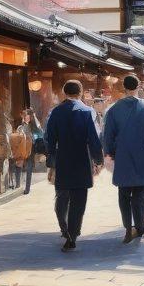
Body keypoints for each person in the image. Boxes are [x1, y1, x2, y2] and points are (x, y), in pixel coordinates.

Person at [44, 80, 104, 251]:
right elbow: (93, 138)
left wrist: (52, 160)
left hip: (63, 160)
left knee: (61, 196)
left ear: (64, 92)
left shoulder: (56, 112)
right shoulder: (87, 112)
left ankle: (64, 228)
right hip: (81, 160)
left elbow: (49, 138)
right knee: (79, 200)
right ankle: (73, 234)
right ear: (80, 92)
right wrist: (97, 159)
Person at [102, 75, 144, 243]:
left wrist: (110, 152)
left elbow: (107, 134)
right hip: (143, 154)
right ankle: (140, 227)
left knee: (124, 192)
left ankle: (128, 228)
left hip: (122, 155)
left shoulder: (113, 109)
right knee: (141, 192)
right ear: (138, 87)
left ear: (124, 88)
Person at [11, 107, 41, 194]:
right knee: (18, 165)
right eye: (24, 115)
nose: (25, 116)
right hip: (21, 148)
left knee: (29, 168)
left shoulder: (33, 126)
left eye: (26, 115)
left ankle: (27, 188)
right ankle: (17, 184)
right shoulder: (21, 126)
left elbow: (39, 131)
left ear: (30, 116)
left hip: (30, 149)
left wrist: (34, 116)